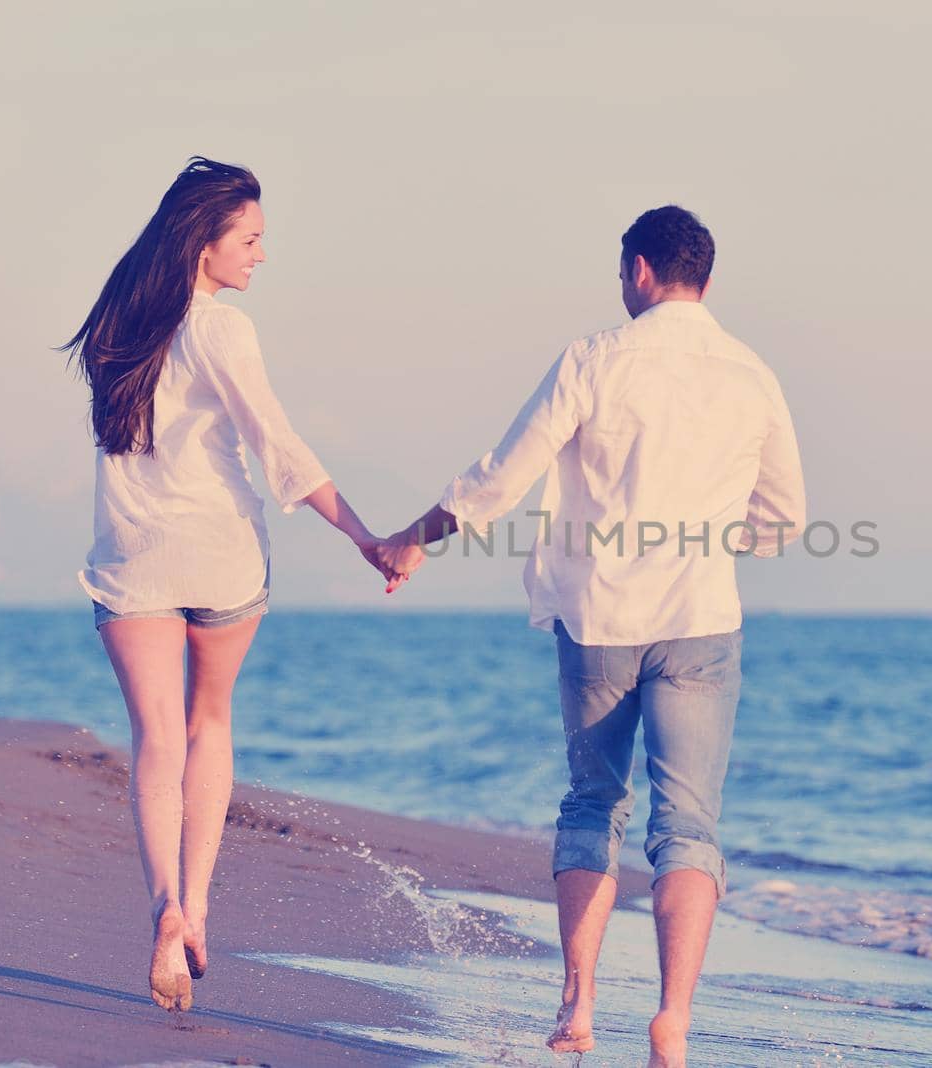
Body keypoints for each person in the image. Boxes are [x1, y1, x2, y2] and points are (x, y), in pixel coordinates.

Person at [372, 205, 805, 1067]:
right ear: (706, 282)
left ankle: (577, 1000)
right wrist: (713, 540)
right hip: (701, 620)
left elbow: (501, 476)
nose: (619, 285)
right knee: (690, 826)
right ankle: (673, 1021)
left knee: (592, 804)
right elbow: (786, 516)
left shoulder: (595, 360)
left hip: (601, 617)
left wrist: (413, 538)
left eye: (621, 271)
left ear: (642, 270)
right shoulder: (752, 373)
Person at [62, 158, 391, 1013]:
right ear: (203, 244)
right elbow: (275, 442)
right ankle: (197, 904)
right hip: (219, 554)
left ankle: (165, 907)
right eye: (249, 239)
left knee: (155, 740)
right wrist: (361, 535)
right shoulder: (222, 329)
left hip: (134, 554)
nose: (260, 255)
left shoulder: (115, 322)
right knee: (210, 723)